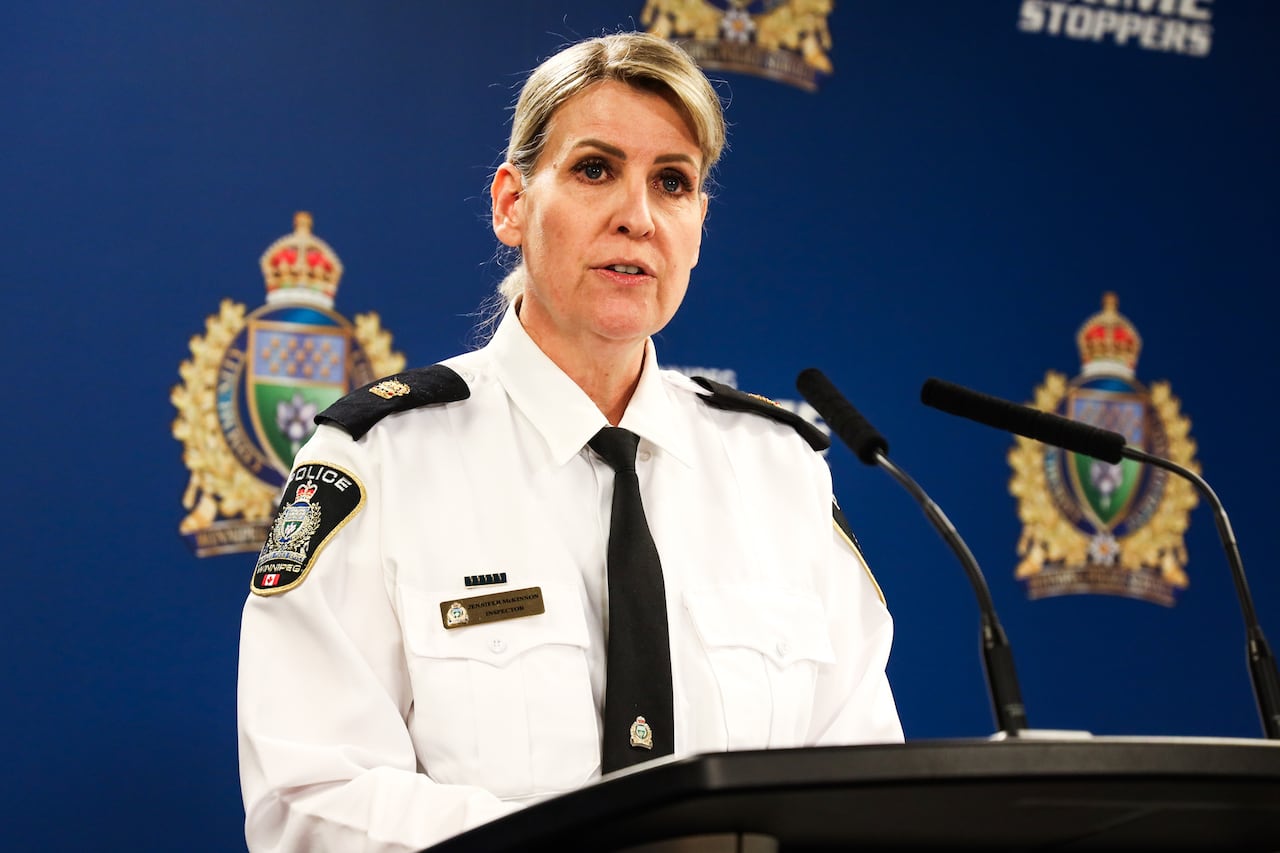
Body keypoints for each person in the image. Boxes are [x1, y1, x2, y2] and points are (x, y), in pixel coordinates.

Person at [237, 30, 902, 853]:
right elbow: (309, 801)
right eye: (595, 170)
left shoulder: (781, 470)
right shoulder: (378, 463)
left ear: (698, 224)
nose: (637, 217)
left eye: (673, 182)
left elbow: (861, 792)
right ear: (511, 204)